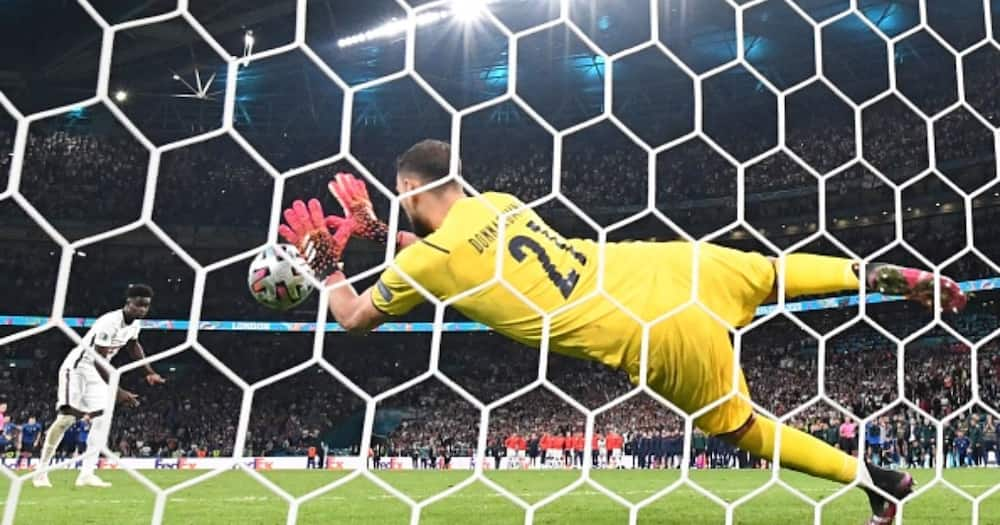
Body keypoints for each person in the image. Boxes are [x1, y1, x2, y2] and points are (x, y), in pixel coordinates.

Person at [279, 140, 969, 524]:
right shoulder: (502, 203)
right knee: (771, 271)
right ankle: (871, 273)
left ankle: (874, 479)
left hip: (648, 331)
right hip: (662, 265)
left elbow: (355, 318)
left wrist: (331, 266)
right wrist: (379, 231)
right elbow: (456, 255)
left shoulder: (433, 258)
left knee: (744, 428)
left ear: (407, 189)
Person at [33, 284, 166, 488]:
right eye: (138, 305)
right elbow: (98, 359)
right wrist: (118, 392)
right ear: (128, 302)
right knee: (66, 419)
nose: (142, 310)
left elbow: (132, 345)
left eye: (146, 306)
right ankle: (41, 472)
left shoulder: (134, 324)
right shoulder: (109, 322)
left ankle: (86, 474)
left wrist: (148, 372)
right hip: (77, 368)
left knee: (102, 419)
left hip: (96, 372)